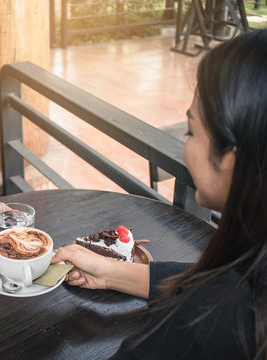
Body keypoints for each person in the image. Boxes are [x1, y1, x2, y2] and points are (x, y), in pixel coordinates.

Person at [52, 30, 267, 359]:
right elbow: (198, 282)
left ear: (231, 159)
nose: (186, 148)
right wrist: (109, 272)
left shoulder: (206, 322)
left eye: (191, 131)